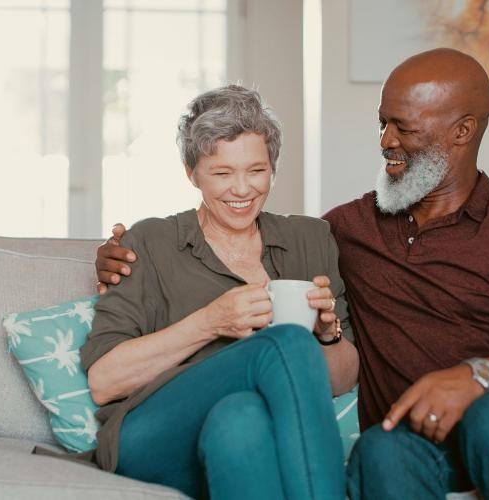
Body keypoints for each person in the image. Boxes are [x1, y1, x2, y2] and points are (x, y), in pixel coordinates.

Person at [97, 49, 489, 500]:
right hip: (412, 436)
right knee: (378, 448)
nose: (385, 142)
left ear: (461, 131)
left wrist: (474, 377)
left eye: (403, 127)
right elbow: (107, 372)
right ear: (193, 173)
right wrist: (114, 256)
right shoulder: (347, 229)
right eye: (382, 124)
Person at [83, 85, 358, 500]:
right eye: (222, 173)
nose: (242, 189)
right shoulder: (150, 242)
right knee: (283, 342)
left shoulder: (310, 239)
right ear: (191, 172)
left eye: (256, 170)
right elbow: (104, 382)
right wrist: (211, 322)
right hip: (152, 436)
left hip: (239, 432)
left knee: (240, 419)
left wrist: (326, 334)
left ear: (273, 167)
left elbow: (342, 378)